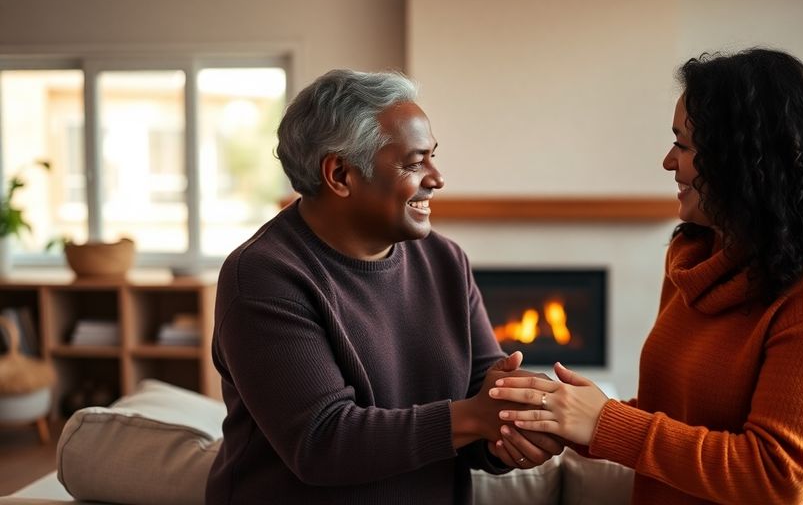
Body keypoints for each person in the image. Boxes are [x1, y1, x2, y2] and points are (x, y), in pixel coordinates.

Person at [491, 48, 803, 504]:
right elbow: (678, 425)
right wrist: (562, 417)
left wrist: (605, 422)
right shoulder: (697, 263)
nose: (669, 162)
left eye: (685, 145)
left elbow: (778, 476)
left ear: (744, 160)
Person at [206, 69, 563, 504]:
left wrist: (510, 429)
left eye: (432, 156)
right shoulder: (263, 275)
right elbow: (321, 442)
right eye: (414, 163)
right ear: (340, 174)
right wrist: (474, 418)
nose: (437, 178)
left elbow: (481, 395)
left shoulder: (445, 261)